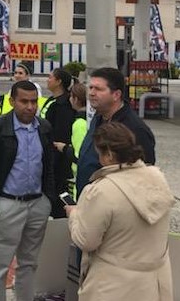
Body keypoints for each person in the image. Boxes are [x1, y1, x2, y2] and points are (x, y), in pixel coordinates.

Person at [65, 122, 173, 301]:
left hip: (112, 286)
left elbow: (86, 240)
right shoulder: (157, 178)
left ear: (108, 155)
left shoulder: (101, 191)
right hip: (154, 284)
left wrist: (74, 214)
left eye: (98, 153)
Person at [0, 80, 55, 301]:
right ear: (12, 101)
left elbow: (49, 166)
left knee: (29, 264)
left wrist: (47, 199)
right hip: (7, 205)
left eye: (34, 101)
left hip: (37, 204)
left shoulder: (43, 127)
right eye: (24, 101)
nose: (30, 107)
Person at [76, 67, 156, 196]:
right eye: (90, 88)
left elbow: (144, 176)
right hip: (89, 200)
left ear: (116, 95)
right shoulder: (98, 117)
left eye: (98, 89)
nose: (91, 93)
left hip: (114, 205)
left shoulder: (134, 128)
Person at [40, 68, 76, 217]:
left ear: (59, 81)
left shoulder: (64, 105)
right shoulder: (51, 100)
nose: (47, 80)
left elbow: (60, 135)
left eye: (50, 77)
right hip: (44, 153)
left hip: (56, 158)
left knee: (57, 193)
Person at [53, 82, 88, 197]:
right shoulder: (90, 118)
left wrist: (63, 148)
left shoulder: (79, 123)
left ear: (76, 99)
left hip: (80, 176)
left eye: (71, 97)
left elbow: (79, 156)